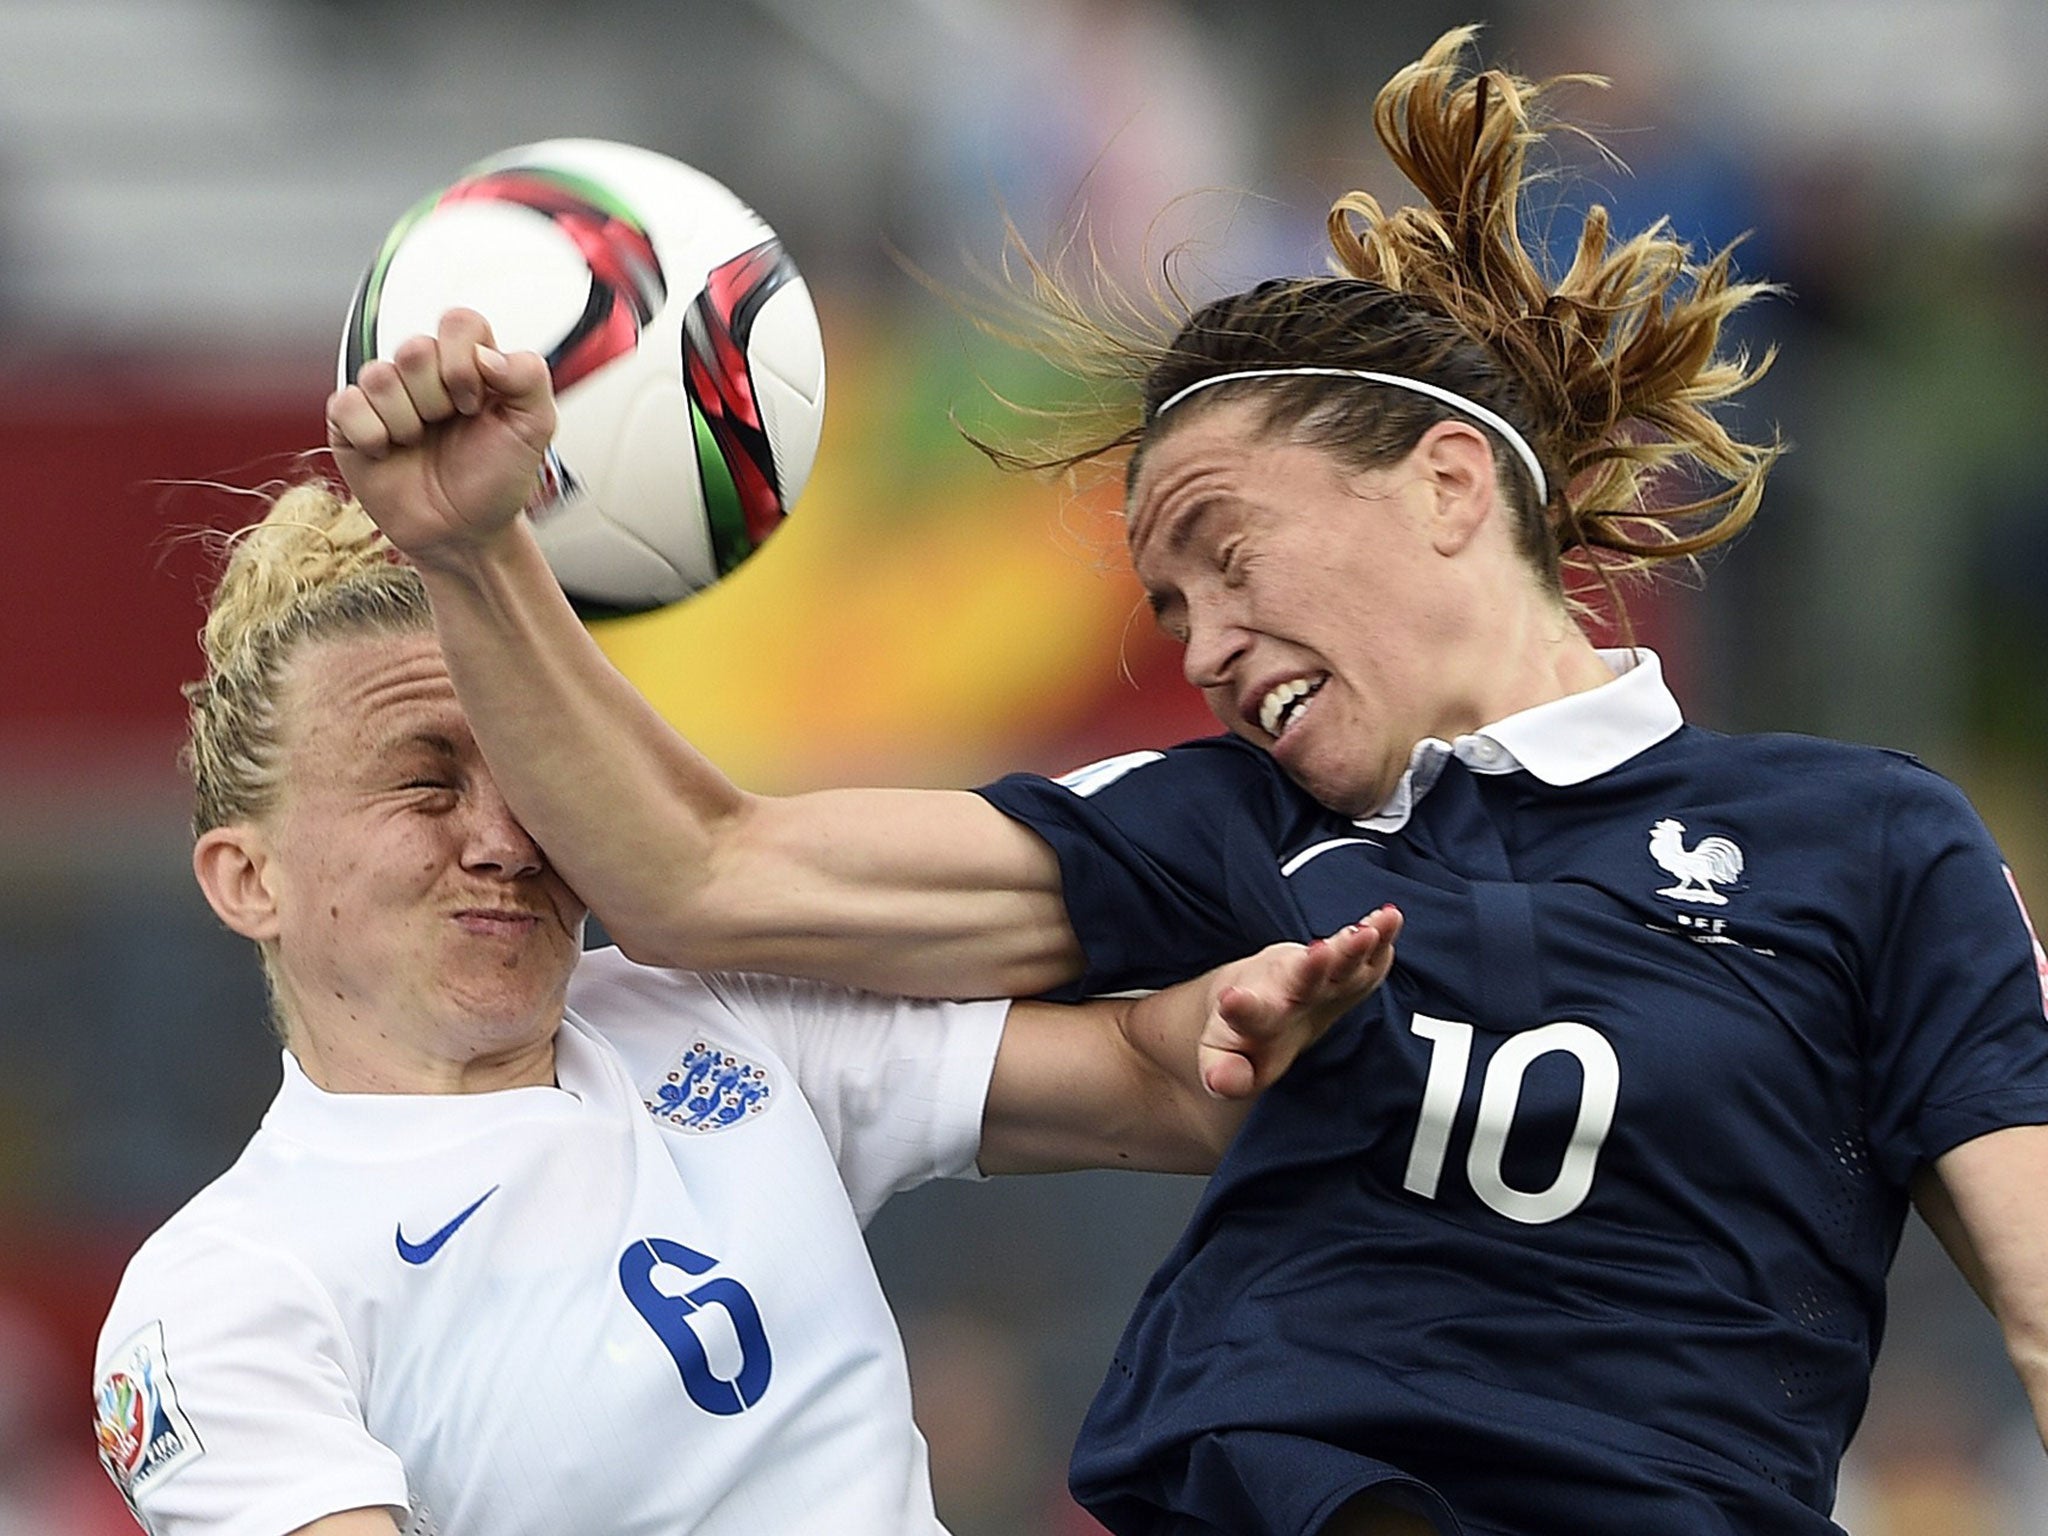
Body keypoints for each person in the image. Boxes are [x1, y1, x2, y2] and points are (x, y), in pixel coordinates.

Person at [324, 25, 2048, 1536]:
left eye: (1229, 553)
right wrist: (478, 556)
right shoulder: (1224, 823)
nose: (1207, 641)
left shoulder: (1869, 840)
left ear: (1451, 486)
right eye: (1168, 602)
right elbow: (704, 876)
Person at [89, 481, 1404, 1536]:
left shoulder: (710, 1018)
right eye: (426, 787)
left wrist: (1240, 1026)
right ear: (247, 878)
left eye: (529, 777)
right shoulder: (220, 1297)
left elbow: (1162, 1080)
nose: (504, 837)